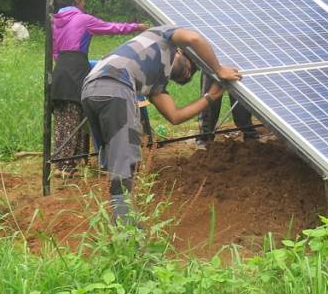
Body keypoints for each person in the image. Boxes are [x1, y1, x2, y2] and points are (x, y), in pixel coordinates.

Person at [80, 26, 241, 222]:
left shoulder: (156, 83)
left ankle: (117, 215)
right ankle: (125, 226)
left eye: (184, 78)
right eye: (189, 67)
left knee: (112, 157)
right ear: (182, 52)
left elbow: (175, 117)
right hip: (117, 85)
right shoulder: (164, 35)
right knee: (125, 160)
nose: (186, 73)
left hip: (90, 89)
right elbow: (194, 38)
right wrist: (219, 70)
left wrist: (210, 97)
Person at [50, 0, 146, 174]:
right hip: (76, 68)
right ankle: (65, 165)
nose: (84, 3)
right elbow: (110, 27)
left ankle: (66, 162)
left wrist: (64, 64)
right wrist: (136, 27)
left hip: (60, 68)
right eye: (83, 0)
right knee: (75, 116)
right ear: (77, 0)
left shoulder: (55, 21)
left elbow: (54, 52)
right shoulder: (82, 19)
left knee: (64, 117)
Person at [196, 77, 261, 147]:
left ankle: (250, 136)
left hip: (237, 68)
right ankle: (205, 138)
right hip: (214, 68)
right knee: (209, 97)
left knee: (241, 97)